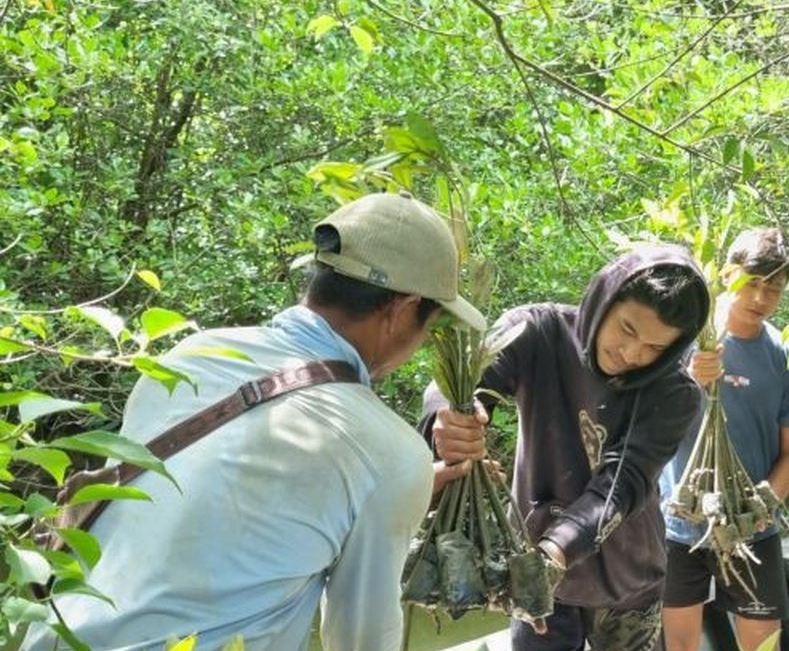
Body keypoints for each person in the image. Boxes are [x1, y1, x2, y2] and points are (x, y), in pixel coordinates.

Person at [23, 192, 485, 651]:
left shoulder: (192, 354)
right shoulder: (389, 451)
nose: (420, 342)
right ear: (401, 309)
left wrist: (405, 487)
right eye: (429, 326)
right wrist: (397, 484)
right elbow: (361, 640)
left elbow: (213, 511)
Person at [424, 244, 711, 651]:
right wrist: (449, 415)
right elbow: (458, 382)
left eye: (655, 348)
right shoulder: (538, 331)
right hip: (534, 568)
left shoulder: (675, 392)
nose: (632, 354)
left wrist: (553, 553)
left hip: (626, 577)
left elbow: (622, 483)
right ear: (603, 301)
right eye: (627, 330)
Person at [659, 228, 789, 651]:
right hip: (679, 523)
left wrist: (763, 508)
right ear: (727, 274)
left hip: (752, 528)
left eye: (775, 289)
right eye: (754, 283)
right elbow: (645, 420)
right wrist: (689, 380)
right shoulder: (683, 339)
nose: (762, 298)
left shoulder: (787, 353)